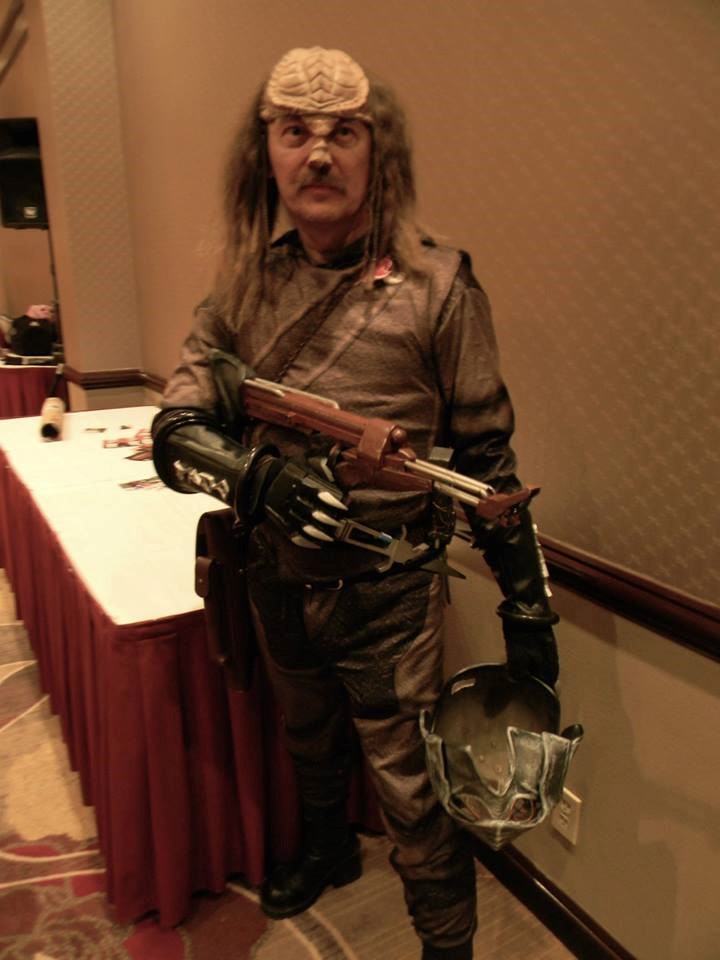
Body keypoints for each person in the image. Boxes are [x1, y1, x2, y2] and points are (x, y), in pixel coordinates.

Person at [152, 47, 559, 960]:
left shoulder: (439, 286)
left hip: (388, 593)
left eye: (344, 133)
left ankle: (446, 946)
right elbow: (176, 430)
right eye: (295, 132)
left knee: (414, 796)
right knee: (305, 736)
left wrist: (528, 606)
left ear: (381, 152)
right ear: (266, 153)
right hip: (275, 574)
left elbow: (489, 460)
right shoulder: (240, 287)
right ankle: (330, 848)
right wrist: (260, 480)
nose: (318, 155)